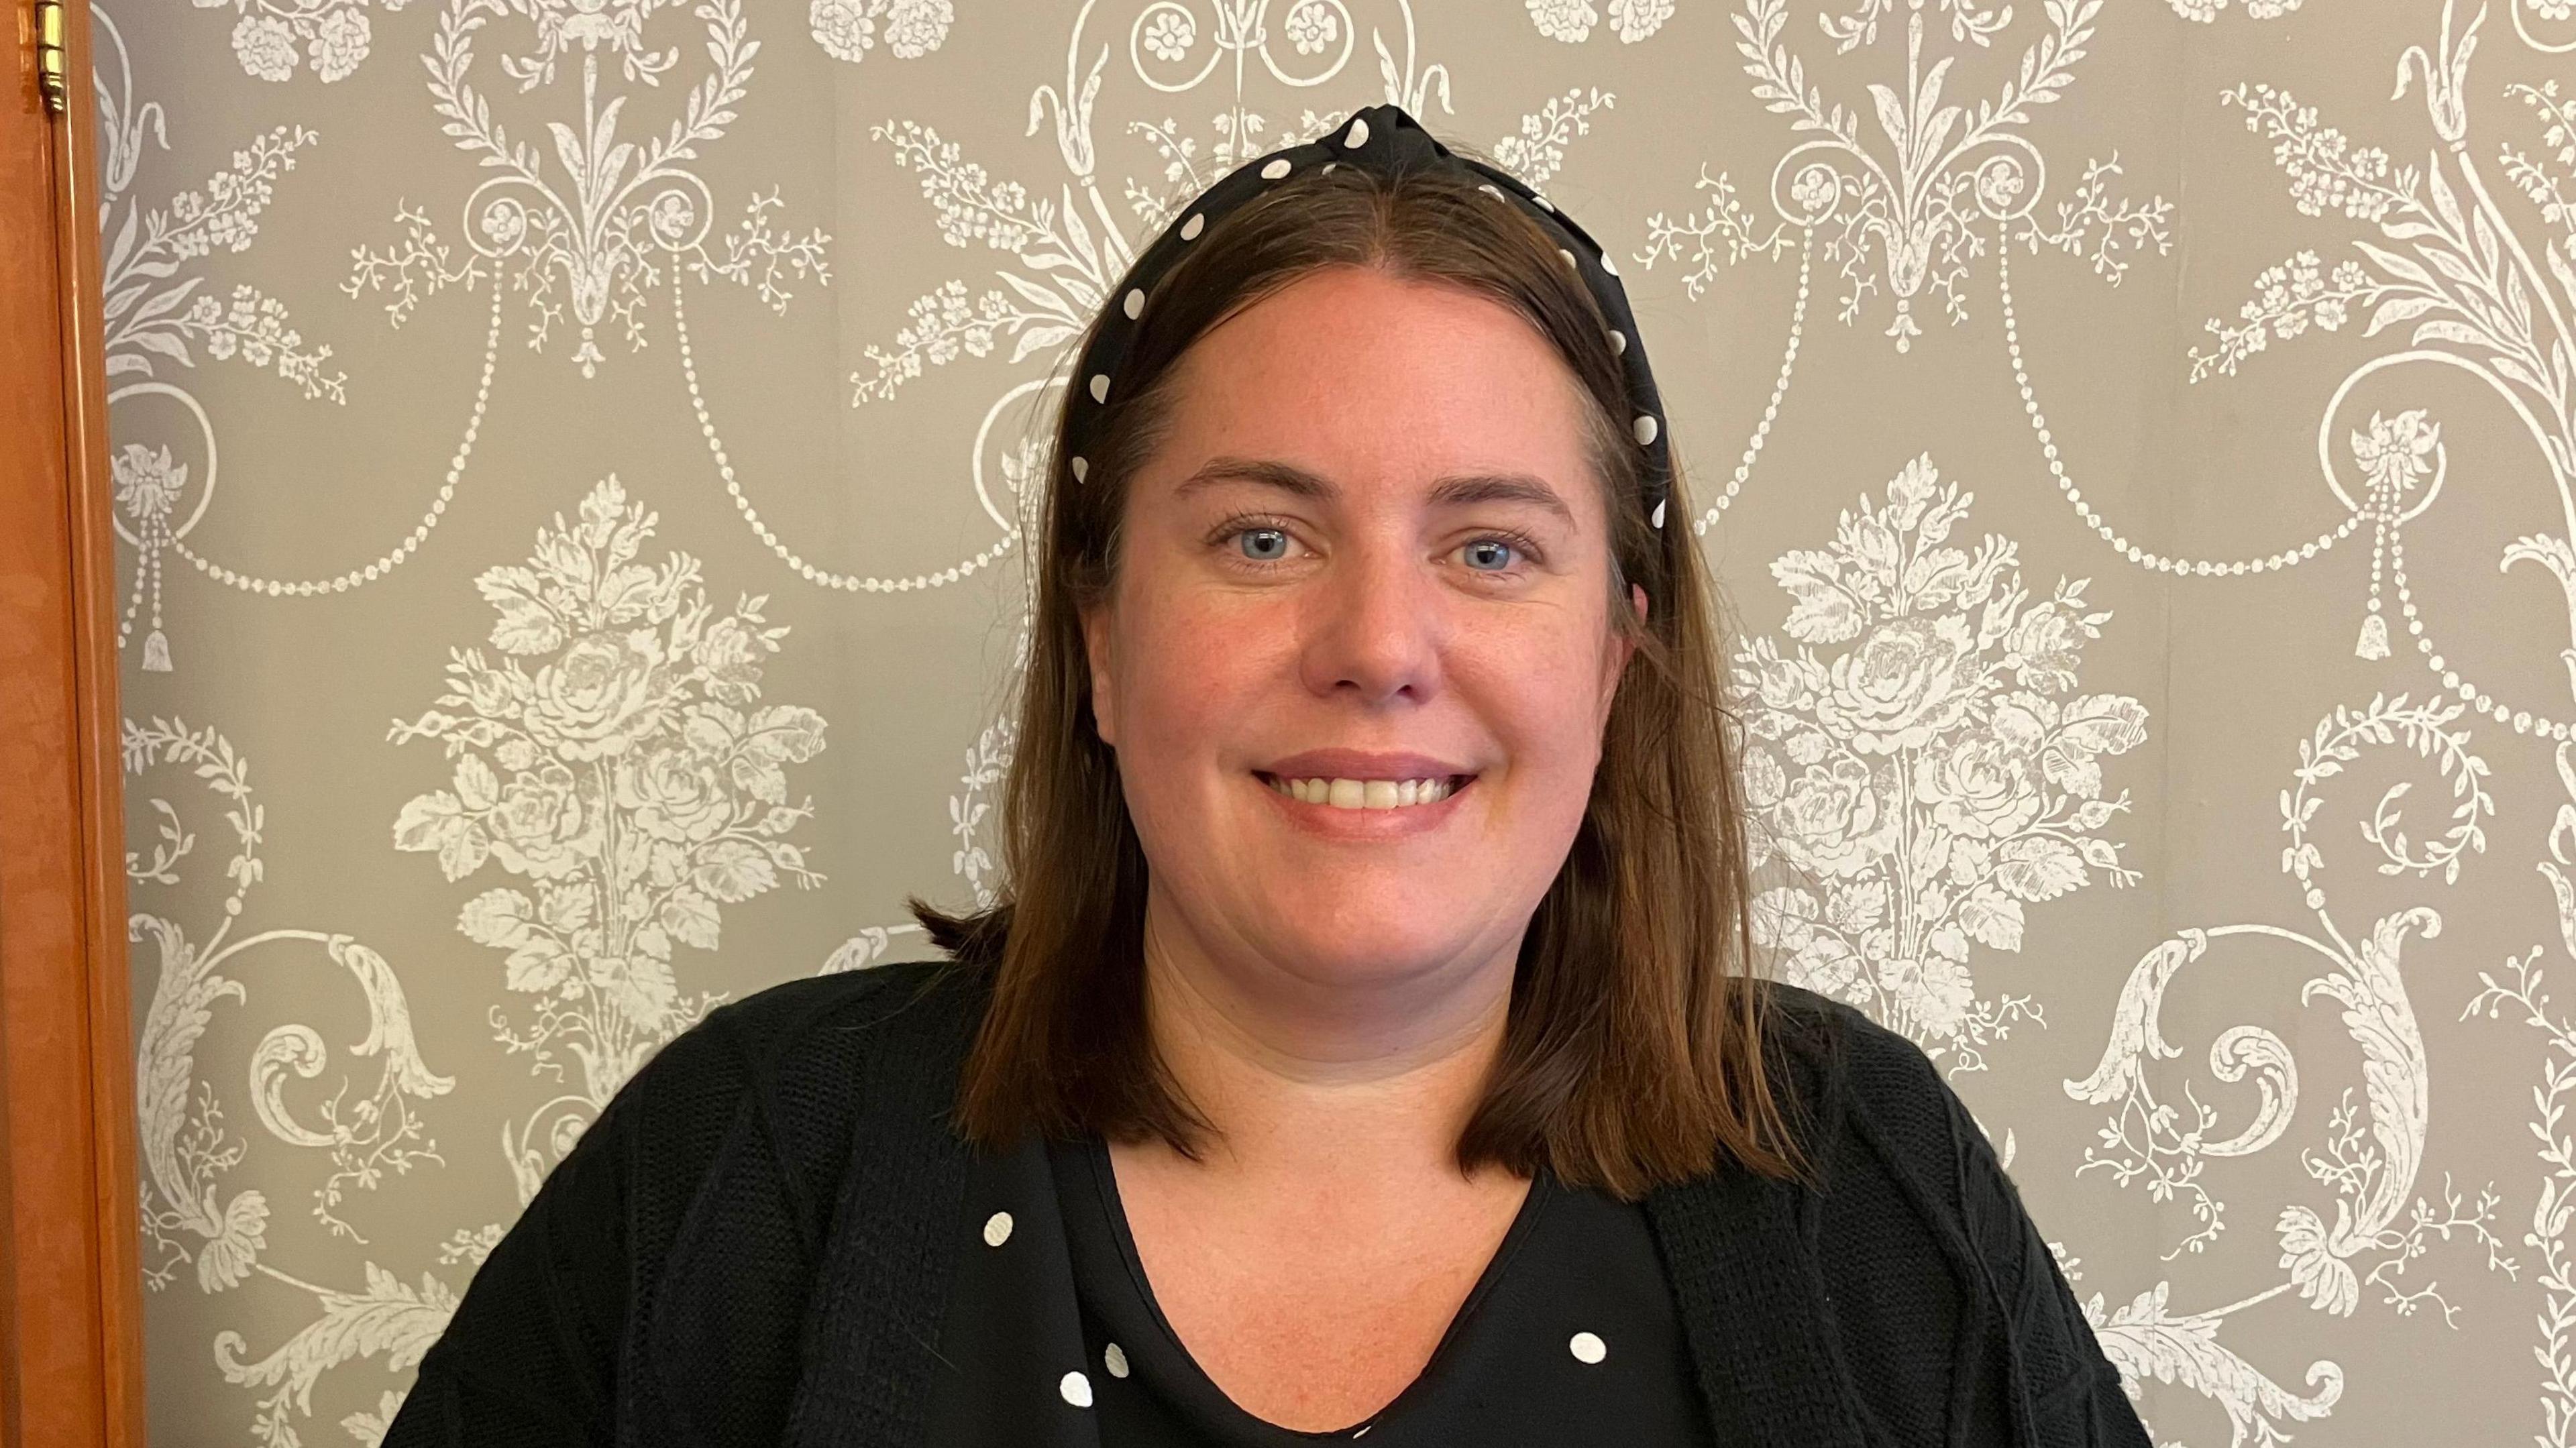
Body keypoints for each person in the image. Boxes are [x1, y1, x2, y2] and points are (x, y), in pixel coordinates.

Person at [383, 102, 2150, 1448]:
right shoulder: (747, 1168)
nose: (1379, 645)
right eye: (1259, 535)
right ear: (1096, 633)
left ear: (1618, 655)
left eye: (1491, 551)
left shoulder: (1857, 1182)